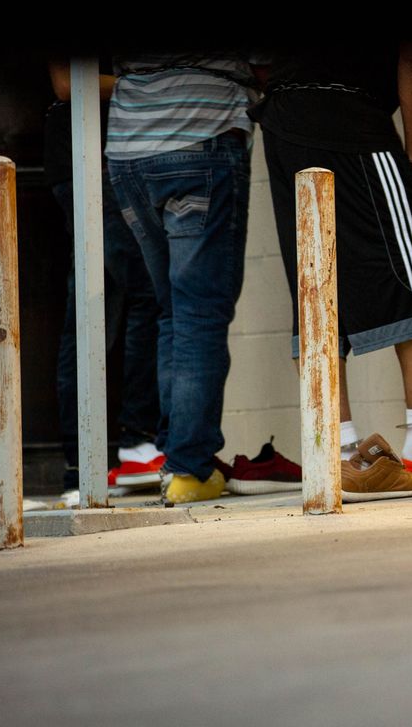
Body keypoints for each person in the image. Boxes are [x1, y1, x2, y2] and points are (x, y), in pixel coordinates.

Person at [249, 43, 412, 489]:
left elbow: (259, 62)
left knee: (315, 275)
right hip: (346, 110)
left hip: (283, 117)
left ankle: (337, 449)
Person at [105, 53, 255, 503]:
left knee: (173, 309)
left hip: (128, 146)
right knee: (199, 312)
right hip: (200, 129)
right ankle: (189, 467)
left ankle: (177, 460)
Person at [43, 60, 162, 504]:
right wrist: (156, 83)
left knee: (95, 303)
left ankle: (86, 461)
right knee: (146, 292)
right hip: (92, 156)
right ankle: (136, 442)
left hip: (96, 155)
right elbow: (67, 83)